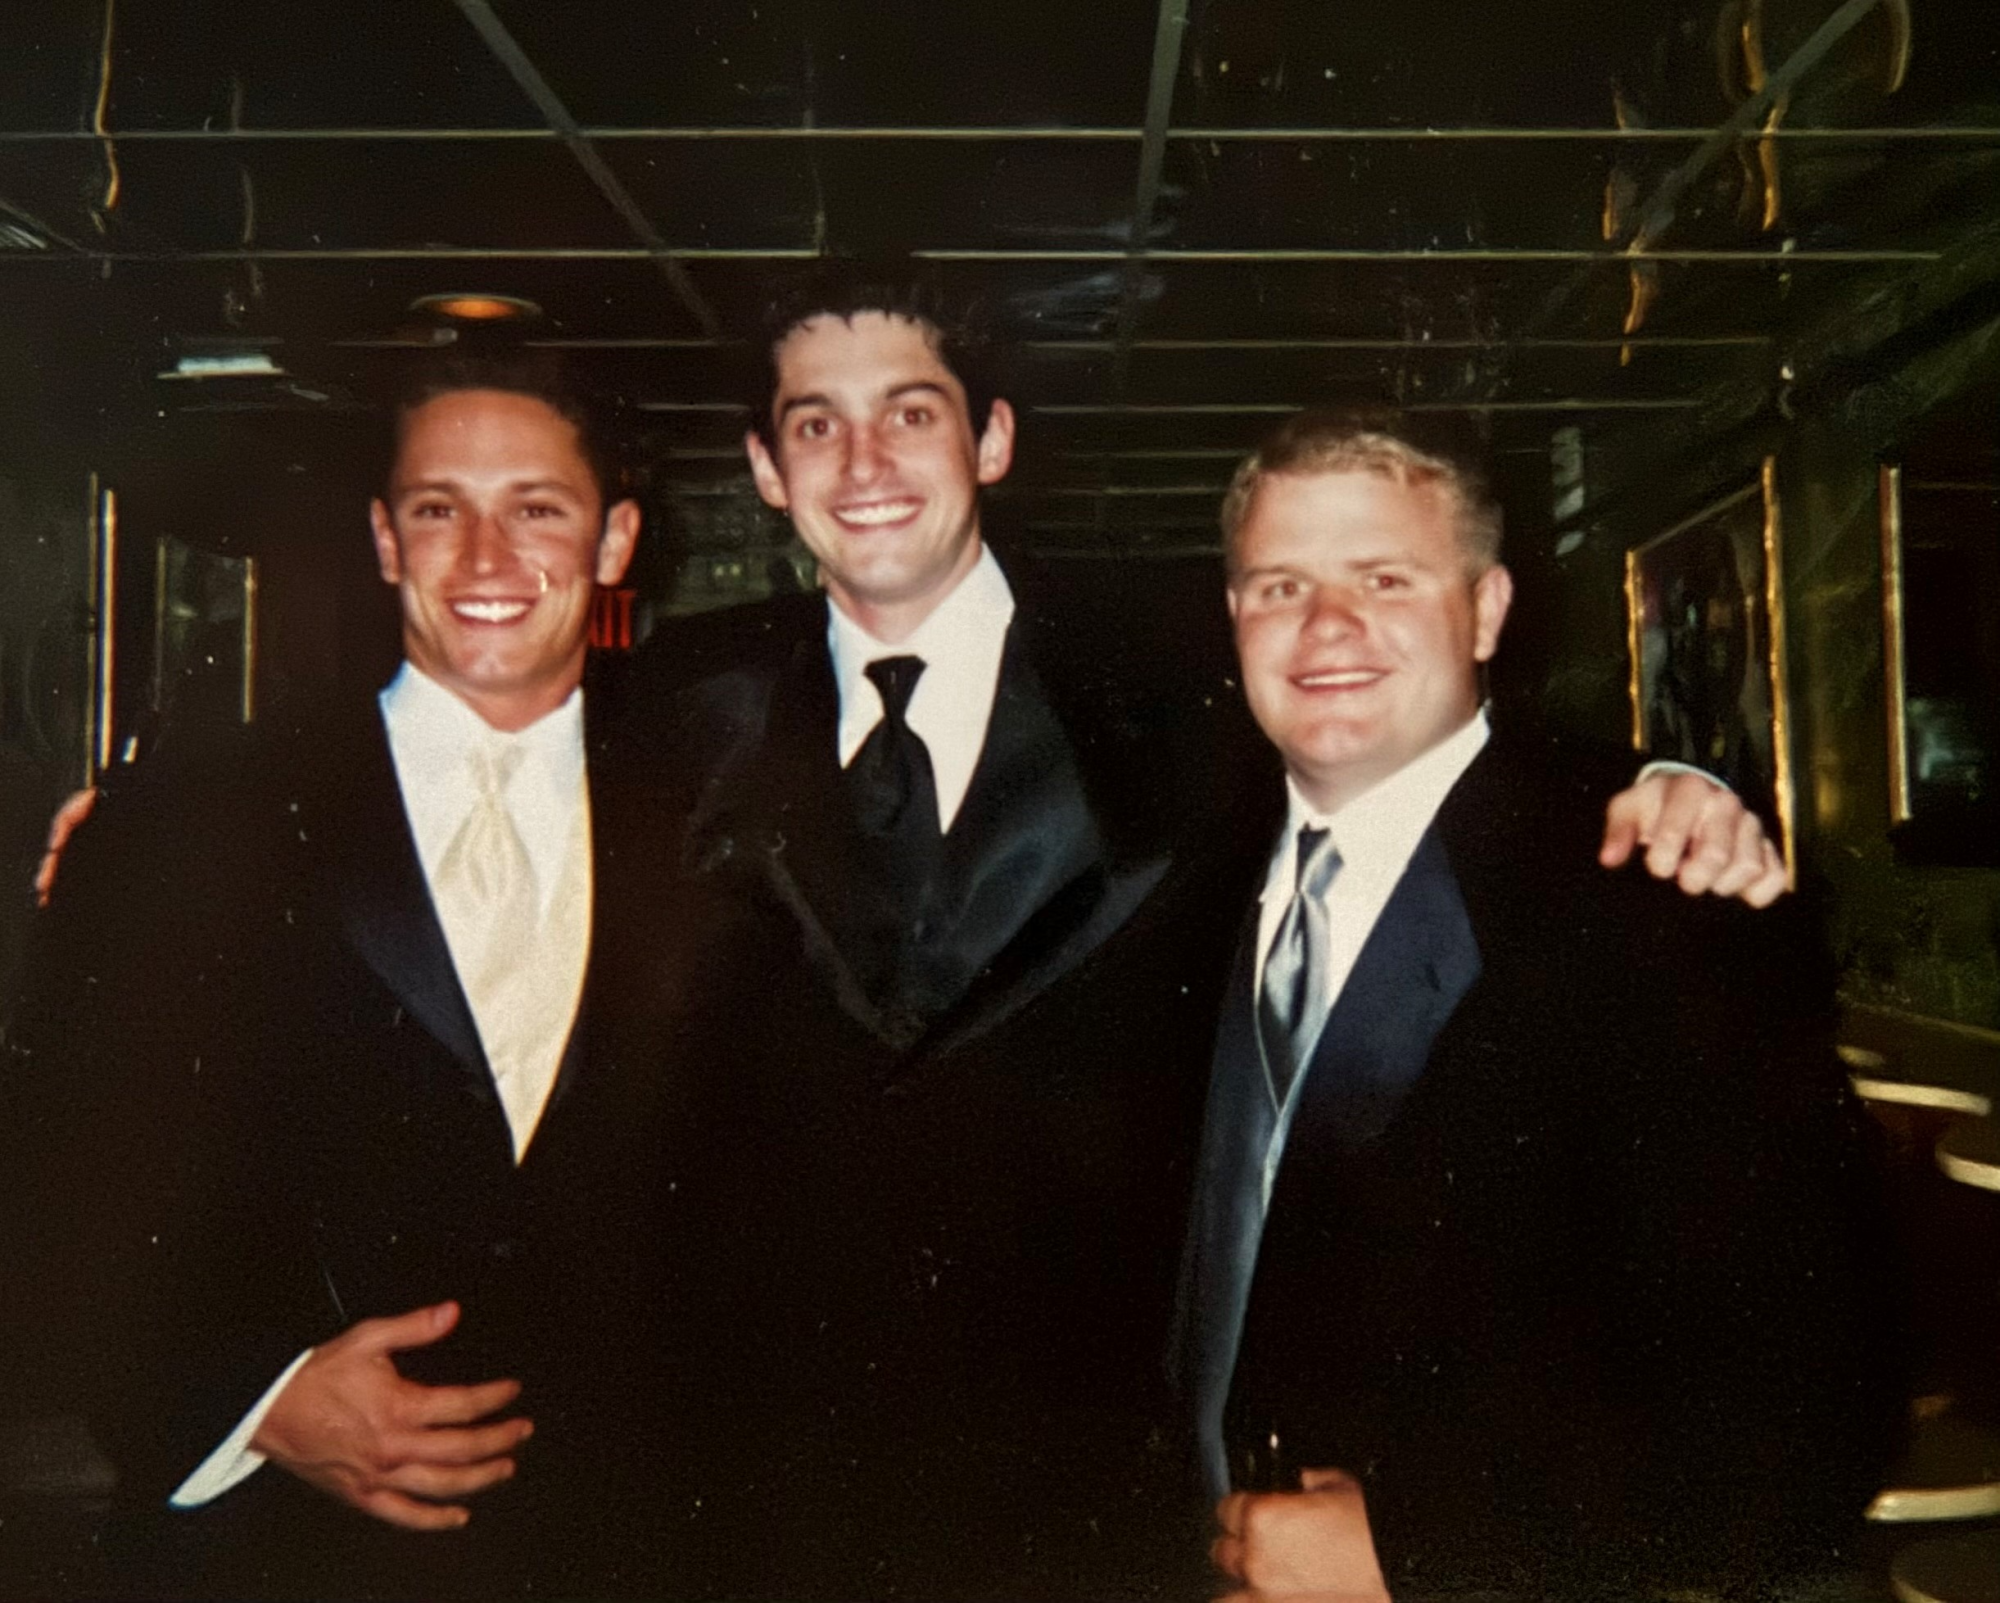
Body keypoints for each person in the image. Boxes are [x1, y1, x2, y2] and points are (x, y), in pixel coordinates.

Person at [622, 263, 1791, 1601]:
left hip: (1110, 1505)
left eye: (912, 410)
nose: (866, 459)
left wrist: (1670, 787)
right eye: (817, 423)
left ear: (992, 437)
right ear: (766, 469)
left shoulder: (1170, 663)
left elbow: (1413, 727)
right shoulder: (679, 707)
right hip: (810, 1500)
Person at [1175, 409, 1900, 1602]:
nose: (1326, 627)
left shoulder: (1662, 900)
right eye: (1278, 585)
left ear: (1488, 609)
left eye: (1385, 578)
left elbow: (1809, 1412)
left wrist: (1418, 1548)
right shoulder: (1185, 878)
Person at [3, 355, 687, 1599]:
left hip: (628, 1542)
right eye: (438, 508)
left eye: (538, 507)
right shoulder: (179, 822)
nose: (484, 555)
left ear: (616, 538)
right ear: (383, 539)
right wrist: (254, 1401)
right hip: (278, 1553)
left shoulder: (721, 813)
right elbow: (56, 1181)